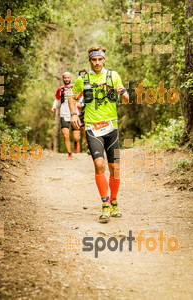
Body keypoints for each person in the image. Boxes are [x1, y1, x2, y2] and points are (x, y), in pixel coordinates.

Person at [69, 45, 129, 222]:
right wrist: (73, 113)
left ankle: (114, 201)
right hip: (92, 128)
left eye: (100, 59)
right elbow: (72, 96)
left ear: (104, 59)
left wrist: (123, 94)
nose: (97, 62)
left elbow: (126, 99)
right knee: (99, 164)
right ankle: (104, 203)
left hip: (112, 127)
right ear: (90, 61)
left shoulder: (113, 76)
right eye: (94, 60)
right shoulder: (82, 80)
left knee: (115, 169)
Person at [51, 72, 80, 160]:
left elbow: (81, 97)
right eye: (65, 78)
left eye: (68, 77)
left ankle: (76, 142)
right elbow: (57, 99)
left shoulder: (75, 88)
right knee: (65, 135)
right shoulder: (60, 89)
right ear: (62, 79)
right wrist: (54, 107)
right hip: (64, 114)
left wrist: (80, 102)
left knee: (76, 136)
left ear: (71, 78)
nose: (66, 79)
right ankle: (69, 154)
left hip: (75, 114)